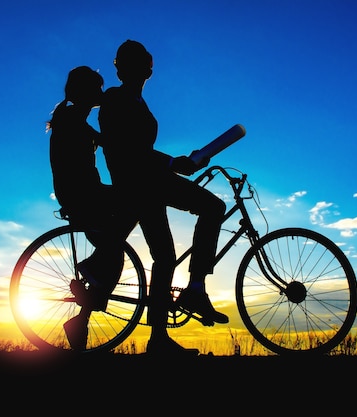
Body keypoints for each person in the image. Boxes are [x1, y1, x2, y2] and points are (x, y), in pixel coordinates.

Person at [99, 40, 228, 356]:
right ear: (124, 67)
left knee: (166, 258)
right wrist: (173, 163)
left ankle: (158, 339)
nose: (145, 67)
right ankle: (195, 289)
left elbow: (136, 150)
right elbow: (125, 149)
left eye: (145, 62)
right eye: (137, 62)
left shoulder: (136, 101)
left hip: (151, 182)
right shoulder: (116, 99)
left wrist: (181, 163)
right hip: (142, 182)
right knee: (213, 206)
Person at [47, 66, 132, 350]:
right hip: (83, 195)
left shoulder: (72, 118)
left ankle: (81, 317)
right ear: (84, 92)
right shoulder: (72, 120)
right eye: (97, 88)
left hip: (82, 193)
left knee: (113, 252)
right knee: (122, 231)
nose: (101, 93)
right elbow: (100, 146)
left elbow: (104, 141)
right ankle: (91, 274)